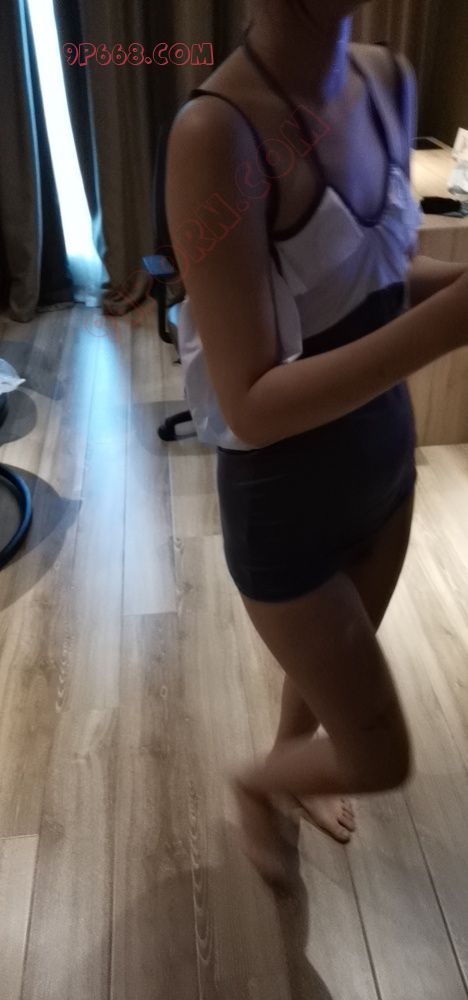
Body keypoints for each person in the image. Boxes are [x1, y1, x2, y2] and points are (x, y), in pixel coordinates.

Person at [166, 0, 468, 886]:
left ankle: (287, 762)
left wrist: (457, 287)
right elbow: (251, 404)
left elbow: (377, 271)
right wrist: (454, 322)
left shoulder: (389, 79)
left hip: (387, 461)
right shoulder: (216, 136)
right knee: (378, 753)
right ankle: (257, 784)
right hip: (287, 503)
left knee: (330, 675)